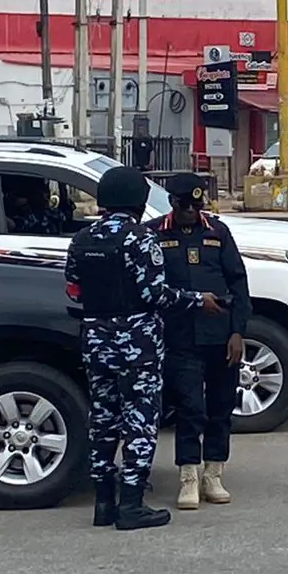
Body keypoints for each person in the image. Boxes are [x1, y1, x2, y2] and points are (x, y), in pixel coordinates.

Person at [65, 166, 215, 531]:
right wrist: (199, 300)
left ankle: (103, 503)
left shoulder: (82, 238)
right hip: (137, 343)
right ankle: (131, 504)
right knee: (139, 422)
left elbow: (73, 290)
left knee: (102, 420)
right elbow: (156, 295)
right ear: (138, 200)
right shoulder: (140, 239)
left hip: (95, 340)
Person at [148, 172, 250, 511]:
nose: (191, 211)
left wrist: (238, 332)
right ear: (171, 203)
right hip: (179, 336)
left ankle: (213, 474)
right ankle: (188, 476)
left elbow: (238, 284)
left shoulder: (217, 232)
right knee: (190, 408)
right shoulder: (155, 234)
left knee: (221, 407)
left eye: (196, 204)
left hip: (221, 336)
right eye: (183, 205)